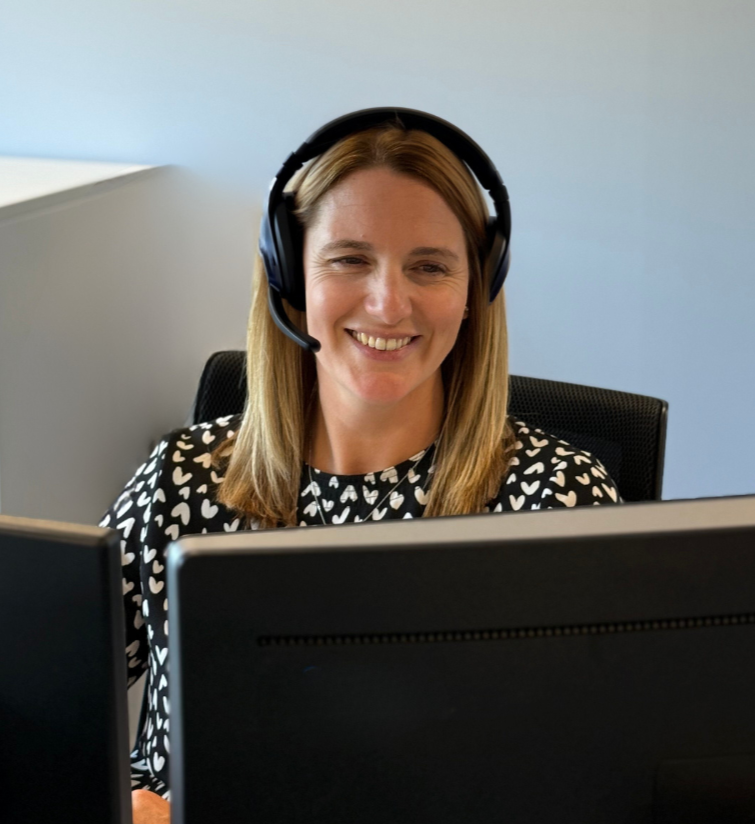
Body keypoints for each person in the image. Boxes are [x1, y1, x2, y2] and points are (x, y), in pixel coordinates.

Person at [101, 113, 621, 823]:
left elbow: (599, 771)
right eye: (349, 258)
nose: (388, 302)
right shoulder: (184, 476)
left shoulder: (553, 498)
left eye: (429, 265)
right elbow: (42, 697)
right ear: (290, 276)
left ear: (475, 288)